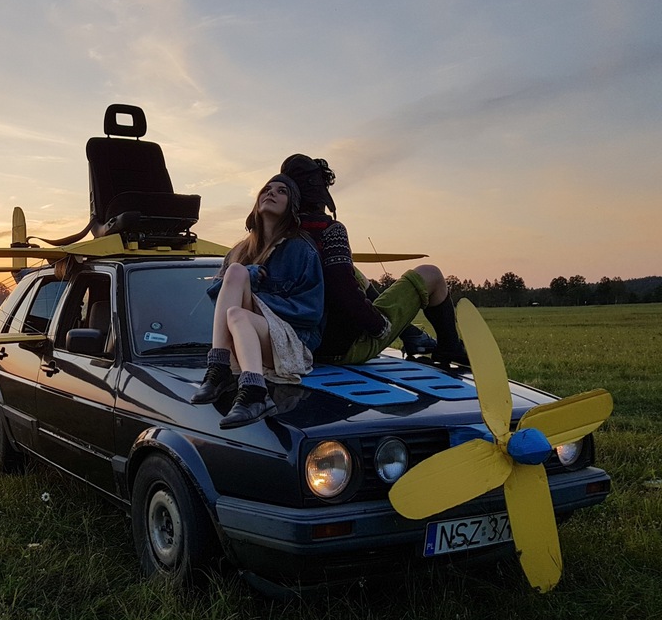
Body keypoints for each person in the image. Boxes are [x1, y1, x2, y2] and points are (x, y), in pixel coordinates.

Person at [280, 154, 468, 366]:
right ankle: (450, 348)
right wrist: (379, 327)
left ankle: (411, 334)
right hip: (343, 348)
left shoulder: (274, 235)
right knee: (431, 274)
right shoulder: (330, 231)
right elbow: (343, 290)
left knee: (350, 269)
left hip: (296, 346)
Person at [191, 173, 325, 429]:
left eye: (281, 191)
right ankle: (225, 372)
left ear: (291, 206)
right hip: (247, 339)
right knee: (236, 285)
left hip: (292, 343)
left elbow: (311, 311)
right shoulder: (239, 251)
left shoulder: (301, 250)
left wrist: (258, 298)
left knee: (239, 302)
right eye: (266, 189)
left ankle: (247, 388)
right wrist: (246, 275)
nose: (271, 193)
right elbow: (217, 297)